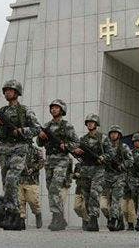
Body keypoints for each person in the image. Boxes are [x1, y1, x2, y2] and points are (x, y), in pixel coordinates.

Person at [0, 79, 41, 230]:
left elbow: (37, 128)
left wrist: (22, 131)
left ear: (17, 93)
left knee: (12, 179)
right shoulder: (2, 111)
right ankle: (12, 215)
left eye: (10, 90)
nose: (7, 92)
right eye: (5, 90)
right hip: (4, 148)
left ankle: (16, 215)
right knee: (6, 182)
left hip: (19, 147)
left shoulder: (25, 110)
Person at [36, 99, 79, 231]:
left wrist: (65, 145)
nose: (54, 109)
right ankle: (60, 218)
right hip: (49, 160)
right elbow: (39, 143)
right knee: (51, 189)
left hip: (62, 160)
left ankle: (56, 217)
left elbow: (76, 142)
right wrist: (41, 137)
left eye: (57, 107)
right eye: (52, 107)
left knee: (55, 188)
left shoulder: (67, 126)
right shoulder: (47, 125)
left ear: (62, 110)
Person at [71, 113, 113, 232]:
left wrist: (103, 157)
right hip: (85, 169)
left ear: (96, 124)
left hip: (98, 169)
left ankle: (94, 220)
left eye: (92, 122)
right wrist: (77, 151)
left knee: (94, 194)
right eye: (88, 122)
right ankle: (89, 218)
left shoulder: (103, 138)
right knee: (87, 195)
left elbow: (111, 153)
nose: (90, 124)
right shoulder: (82, 139)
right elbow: (76, 152)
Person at [100, 125, 133, 231]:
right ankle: (120, 219)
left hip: (119, 176)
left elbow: (130, 160)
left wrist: (121, 166)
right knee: (105, 203)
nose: (113, 135)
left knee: (115, 199)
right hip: (107, 176)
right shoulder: (105, 146)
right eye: (111, 133)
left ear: (119, 135)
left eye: (115, 133)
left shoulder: (123, 147)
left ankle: (113, 220)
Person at [18, 142, 45, 228]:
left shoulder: (36, 150)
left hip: (32, 180)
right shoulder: (17, 150)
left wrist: (33, 168)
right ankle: (21, 220)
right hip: (19, 179)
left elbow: (42, 162)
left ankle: (37, 213)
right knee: (20, 201)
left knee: (33, 200)